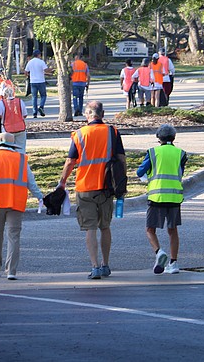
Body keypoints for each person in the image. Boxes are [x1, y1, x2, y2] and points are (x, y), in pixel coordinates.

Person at [58, 100, 126, 280]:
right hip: (106, 187)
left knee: (90, 228)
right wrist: (121, 183)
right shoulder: (113, 132)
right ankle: (105, 264)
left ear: (87, 115)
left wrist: (62, 182)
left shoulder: (80, 134)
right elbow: (121, 160)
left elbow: (70, 161)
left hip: (85, 187)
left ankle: (95, 266)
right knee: (105, 226)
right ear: (102, 115)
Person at [0, 133, 43, 280]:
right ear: (13, 146)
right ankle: (11, 270)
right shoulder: (21, 159)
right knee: (14, 236)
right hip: (16, 202)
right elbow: (31, 182)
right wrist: (39, 196)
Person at [136, 123, 187, 275]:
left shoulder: (153, 152)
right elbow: (180, 172)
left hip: (156, 196)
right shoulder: (181, 154)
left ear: (158, 138)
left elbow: (140, 172)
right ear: (174, 137)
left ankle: (159, 252)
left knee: (150, 229)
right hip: (174, 196)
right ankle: (174, 262)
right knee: (173, 230)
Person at [0, 81, 28, 153]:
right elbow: (25, 115)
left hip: (7, 129)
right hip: (20, 128)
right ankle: (21, 162)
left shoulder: (2, 102)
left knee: (8, 149)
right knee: (21, 148)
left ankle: (11, 162)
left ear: (4, 95)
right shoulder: (19, 101)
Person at [25, 49, 51, 117]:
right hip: (41, 81)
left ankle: (34, 113)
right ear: (39, 55)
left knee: (34, 97)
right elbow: (45, 70)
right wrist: (51, 70)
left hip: (33, 81)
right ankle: (41, 107)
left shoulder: (30, 62)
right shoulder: (41, 62)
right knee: (43, 95)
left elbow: (25, 72)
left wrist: (30, 75)